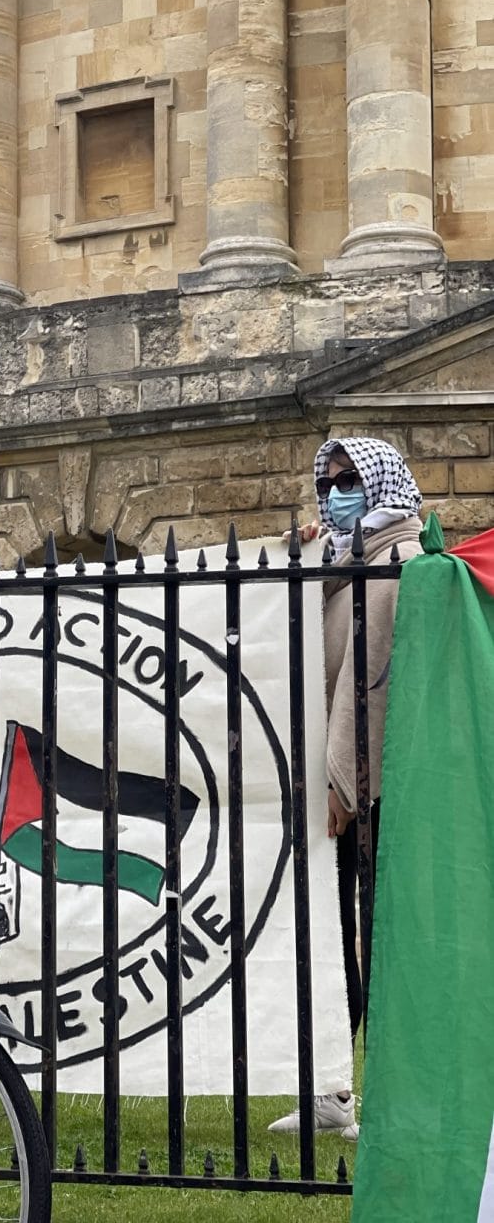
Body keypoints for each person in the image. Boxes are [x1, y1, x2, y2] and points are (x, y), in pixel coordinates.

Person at [270, 437, 424, 1141]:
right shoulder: (344, 557)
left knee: (378, 940)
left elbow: (370, 683)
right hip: (343, 786)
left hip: (374, 789)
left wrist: (343, 780)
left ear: (381, 482)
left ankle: (386, 1092)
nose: (335, 491)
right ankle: (333, 1088)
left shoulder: (398, 561)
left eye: (350, 480)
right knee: (329, 944)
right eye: (328, 481)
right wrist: (300, 549)